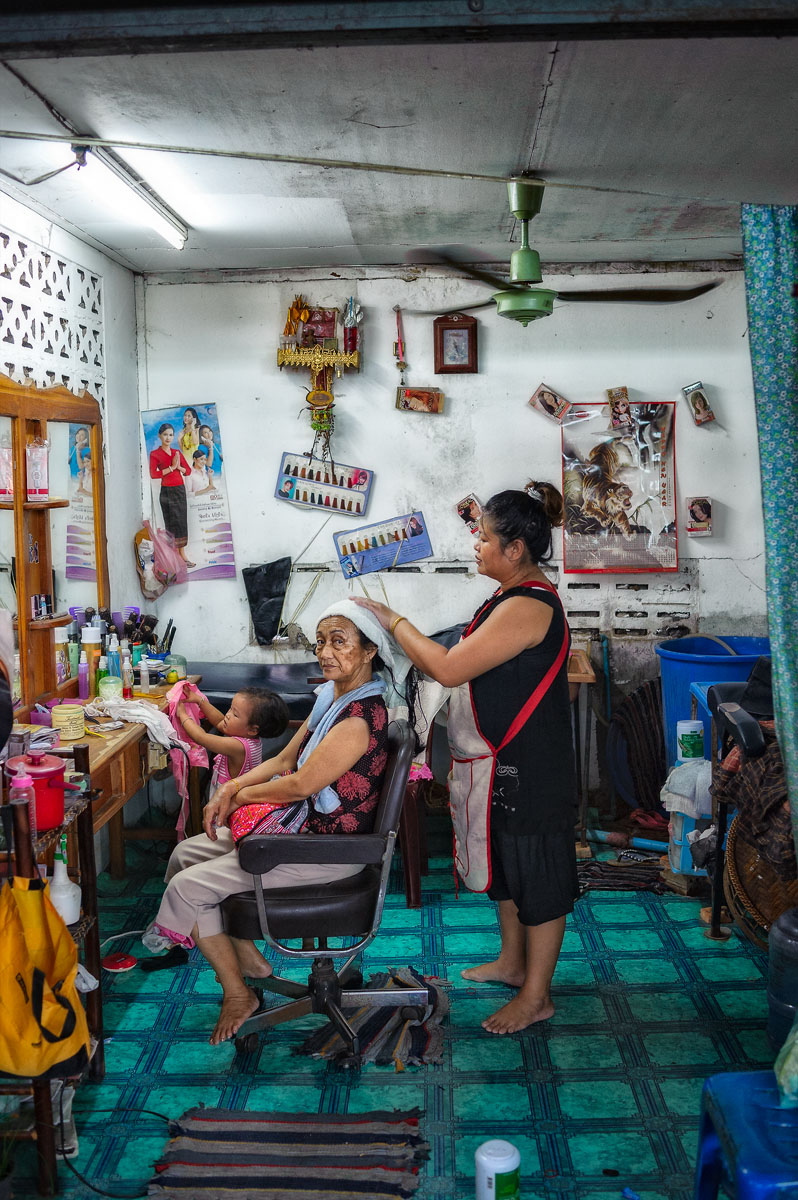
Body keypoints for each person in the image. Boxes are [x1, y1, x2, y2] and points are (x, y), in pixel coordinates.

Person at [354, 483, 578, 1036]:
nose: (475, 547)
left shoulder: (529, 604)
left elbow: (451, 669)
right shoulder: (507, 597)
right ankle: (510, 962)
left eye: (484, 539)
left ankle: (536, 996)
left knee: (539, 875)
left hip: (532, 766)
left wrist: (394, 621)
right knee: (502, 862)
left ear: (516, 549)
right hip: (498, 764)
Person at [149, 602, 419, 1045]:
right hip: (303, 829)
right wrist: (227, 790)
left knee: (186, 888)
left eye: (339, 641)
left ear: (370, 650)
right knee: (185, 854)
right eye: (321, 641)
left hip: (328, 850)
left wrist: (239, 794)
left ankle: (238, 994)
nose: (325, 652)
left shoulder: (357, 721)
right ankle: (251, 961)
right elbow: (282, 759)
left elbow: (296, 786)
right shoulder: (332, 698)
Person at [148, 424, 194, 566]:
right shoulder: (155, 454)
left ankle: (183, 555)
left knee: (181, 522)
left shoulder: (176, 452)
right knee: (171, 523)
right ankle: (174, 557)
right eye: (165, 434)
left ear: (173, 437)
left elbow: (187, 471)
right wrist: (171, 468)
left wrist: (178, 467)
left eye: (171, 435)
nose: (168, 437)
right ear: (160, 436)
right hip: (167, 491)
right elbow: (153, 474)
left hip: (179, 490)